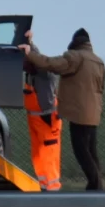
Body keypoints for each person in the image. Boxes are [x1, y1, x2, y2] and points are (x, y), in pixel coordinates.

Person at [19, 28, 105, 191]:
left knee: (81, 151)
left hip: (78, 113)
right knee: (91, 151)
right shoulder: (97, 61)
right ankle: (97, 186)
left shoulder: (74, 57)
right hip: (94, 112)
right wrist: (30, 43)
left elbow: (50, 63)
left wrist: (30, 51)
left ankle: (94, 185)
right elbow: (101, 88)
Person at [22, 47, 62, 191]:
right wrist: (29, 42)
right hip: (35, 119)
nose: (24, 66)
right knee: (38, 154)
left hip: (47, 118)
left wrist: (31, 48)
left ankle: (53, 187)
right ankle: (44, 185)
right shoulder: (33, 73)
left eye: (26, 62)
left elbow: (38, 57)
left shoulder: (44, 73)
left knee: (48, 154)